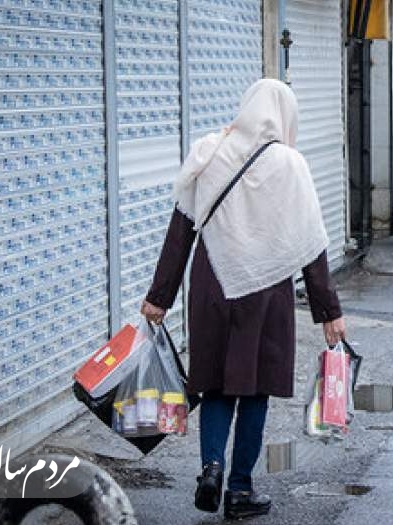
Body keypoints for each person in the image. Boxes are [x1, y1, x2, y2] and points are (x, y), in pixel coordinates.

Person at [140, 79, 348, 519]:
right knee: (255, 389)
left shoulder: (210, 150)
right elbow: (312, 244)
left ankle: (210, 468)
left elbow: (180, 232)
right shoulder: (291, 164)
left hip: (211, 283)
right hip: (266, 289)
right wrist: (328, 311)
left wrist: (159, 297)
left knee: (214, 383)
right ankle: (239, 490)